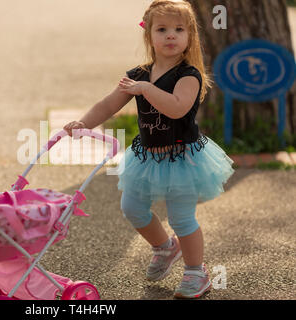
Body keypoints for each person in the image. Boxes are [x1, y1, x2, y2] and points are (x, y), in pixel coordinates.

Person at [63, 0, 235, 299]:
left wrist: (147, 90)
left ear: (189, 36)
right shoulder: (138, 74)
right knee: (132, 208)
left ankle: (197, 272)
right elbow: (109, 103)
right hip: (146, 157)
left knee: (182, 218)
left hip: (183, 159)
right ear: (149, 35)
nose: (171, 35)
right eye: (163, 29)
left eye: (179, 30)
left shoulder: (188, 76)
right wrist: (84, 122)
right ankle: (165, 248)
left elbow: (177, 109)